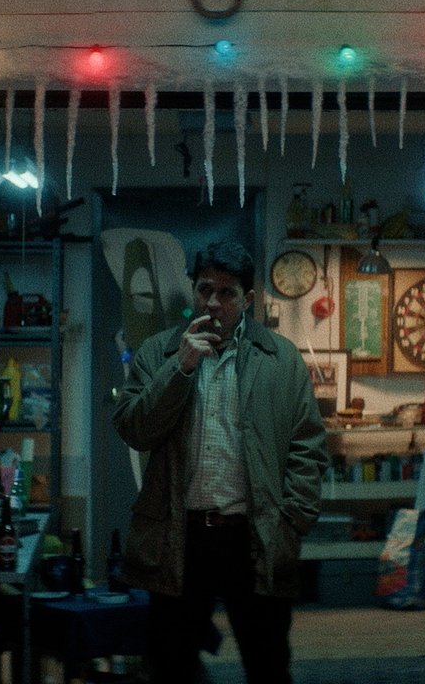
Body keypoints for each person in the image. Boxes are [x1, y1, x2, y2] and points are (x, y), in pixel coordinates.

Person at [112, 241, 328, 684]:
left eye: (226, 293)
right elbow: (134, 429)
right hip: (179, 535)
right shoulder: (159, 351)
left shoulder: (280, 358)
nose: (213, 302)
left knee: (267, 664)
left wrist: (292, 520)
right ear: (193, 289)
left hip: (254, 533)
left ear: (247, 299)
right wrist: (182, 366)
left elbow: (307, 445)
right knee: (171, 665)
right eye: (204, 289)